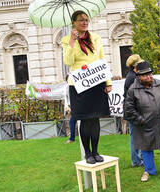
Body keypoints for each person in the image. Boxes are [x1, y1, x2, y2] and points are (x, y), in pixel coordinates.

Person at [61, 10, 112, 164]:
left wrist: (108, 82)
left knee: (95, 119)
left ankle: (96, 152)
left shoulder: (95, 38)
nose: (84, 22)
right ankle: (88, 153)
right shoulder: (66, 40)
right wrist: (71, 41)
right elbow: (68, 61)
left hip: (96, 81)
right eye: (81, 20)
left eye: (86, 19)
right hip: (79, 85)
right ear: (74, 23)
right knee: (84, 119)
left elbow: (102, 59)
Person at [124, 61, 160, 182]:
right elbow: (129, 109)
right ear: (139, 76)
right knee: (146, 148)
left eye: (150, 74)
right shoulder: (133, 89)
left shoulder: (159, 84)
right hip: (145, 125)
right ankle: (148, 170)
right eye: (145, 75)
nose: (149, 76)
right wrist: (141, 120)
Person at [123, 54, 144, 167]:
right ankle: (136, 161)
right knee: (135, 135)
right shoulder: (132, 78)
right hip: (132, 111)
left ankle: (139, 158)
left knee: (137, 135)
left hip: (132, 110)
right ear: (135, 65)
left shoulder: (132, 76)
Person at [64, 74, 77, 144]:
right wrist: (67, 106)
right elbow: (65, 97)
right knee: (72, 122)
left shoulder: (76, 86)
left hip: (77, 105)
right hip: (71, 106)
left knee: (73, 121)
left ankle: (72, 138)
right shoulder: (66, 87)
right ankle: (72, 138)